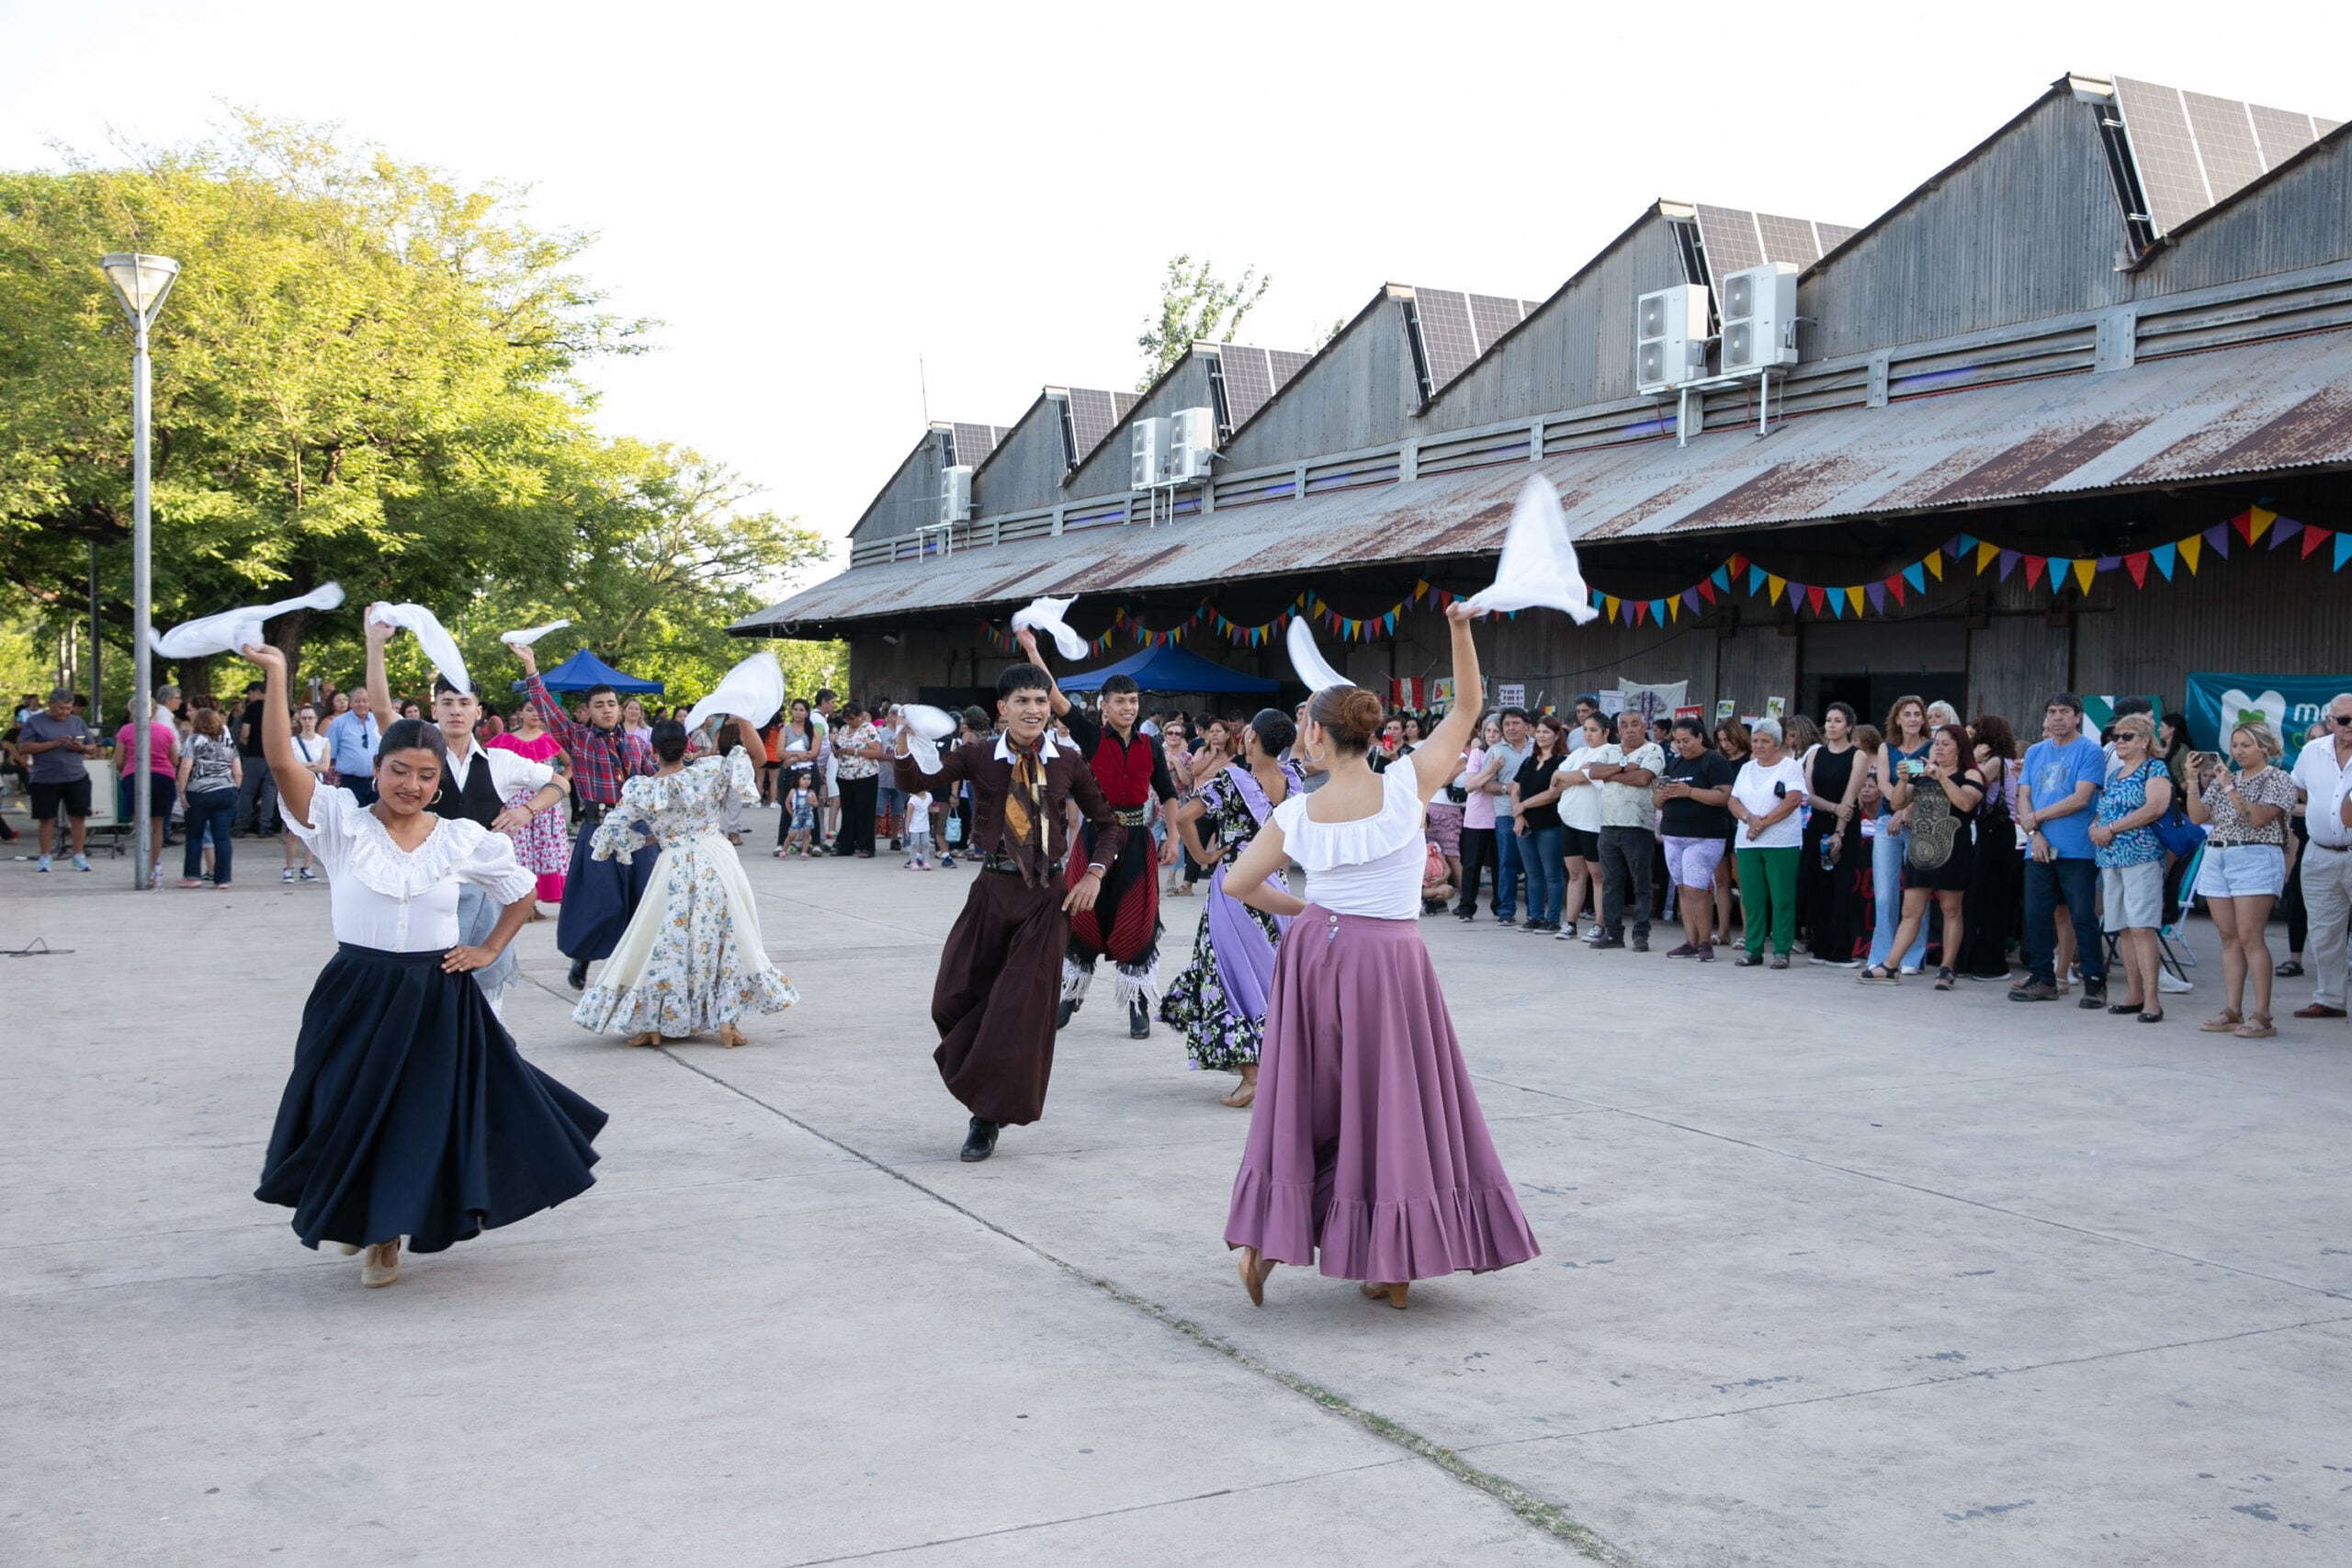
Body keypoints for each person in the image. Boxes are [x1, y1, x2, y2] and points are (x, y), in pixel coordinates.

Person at [244, 641, 604, 1290]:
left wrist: (489, 949)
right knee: (347, 1110)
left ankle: (387, 1236)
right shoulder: (339, 825)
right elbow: (277, 759)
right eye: (399, 771)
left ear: (440, 780)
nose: (412, 786)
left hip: (437, 994)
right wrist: (277, 675)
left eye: (426, 776)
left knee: (416, 1117)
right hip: (356, 991)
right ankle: (359, 1211)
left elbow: (520, 889)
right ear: (376, 770)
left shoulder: (461, 838)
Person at [1220, 603, 1538, 1311]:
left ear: (1315, 736)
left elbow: (1240, 883)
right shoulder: (1407, 785)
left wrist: (1312, 913)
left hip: (1316, 955)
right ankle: (1390, 1263)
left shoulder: (1296, 813)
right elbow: (1469, 704)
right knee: (1391, 1104)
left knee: (1310, 1101)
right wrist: (1459, 628)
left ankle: (1267, 1239)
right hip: (1391, 958)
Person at [893, 661, 1125, 1162]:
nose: (1034, 710)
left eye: (1041, 701)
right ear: (1003, 709)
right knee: (950, 998)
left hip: (1046, 898)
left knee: (1015, 1014)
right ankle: (979, 1085)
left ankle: (985, 1118)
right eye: (1022, 701)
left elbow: (1109, 825)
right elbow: (922, 781)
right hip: (992, 890)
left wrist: (1094, 874)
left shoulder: (1067, 759)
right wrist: (903, 744)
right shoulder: (977, 756)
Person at [573, 717, 797, 1048]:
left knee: (665, 941)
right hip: (716, 858)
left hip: (673, 862)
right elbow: (756, 759)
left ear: (653, 750)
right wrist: (741, 720)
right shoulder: (709, 771)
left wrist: (652, 839)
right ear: (687, 746)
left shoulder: (643, 788)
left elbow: (609, 834)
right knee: (726, 937)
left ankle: (654, 1022)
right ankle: (726, 1021)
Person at [1015, 644, 1182, 1040]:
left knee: (1138, 924)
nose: (1129, 707)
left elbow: (1167, 792)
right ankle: (1071, 996)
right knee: (1083, 916)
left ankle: (1138, 1006)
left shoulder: (1151, 745)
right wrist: (1032, 647)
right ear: (1103, 706)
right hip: (1096, 838)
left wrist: (1173, 835)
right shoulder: (1090, 735)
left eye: (1134, 700)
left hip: (1139, 840)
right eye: (1120, 701)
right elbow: (1054, 696)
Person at [1162, 709, 1300, 1105]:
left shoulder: (1233, 780)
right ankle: (1278, 1070)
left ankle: (1253, 1076)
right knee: (1273, 974)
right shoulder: (1294, 779)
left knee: (1227, 974)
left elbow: (1186, 817)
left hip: (1236, 887)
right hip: (1278, 886)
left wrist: (1203, 858)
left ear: (1251, 738)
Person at [508, 642, 659, 991]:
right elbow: (546, 709)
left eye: (611, 704)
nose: (607, 710)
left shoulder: (637, 745)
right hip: (599, 830)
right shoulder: (578, 738)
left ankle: (636, 967)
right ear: (587, 712)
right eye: (599, 705)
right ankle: (584, 958)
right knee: (600, 900)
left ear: (620, 709)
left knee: (642, 899)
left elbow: (657, 779)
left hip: (637, 830)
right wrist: (531, 667)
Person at [2186, 721, 2297, 1037]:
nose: (2238, 751)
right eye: (2235, 745)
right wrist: (2193, 781)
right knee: (2228, 936)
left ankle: (2262, 1014)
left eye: (2246, 744)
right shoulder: (2225, 779)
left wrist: (2230, 787)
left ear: (2264, 747)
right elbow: (2196, 817)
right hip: (2217, 855)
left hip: (2255, 856)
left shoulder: (2278, 779)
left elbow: (2259, 819)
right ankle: (2232, 1008)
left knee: (2251, 936)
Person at [1860, 722, 1984, 987]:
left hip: (1952, 847)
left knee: (1951, 909)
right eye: (1936, 743)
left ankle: (1946, 968)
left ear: (1959, 747)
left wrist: (1941, 776)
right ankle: (1890, 965)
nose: (1938, 748)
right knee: (1910, 910)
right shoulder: (1923, 772)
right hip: (1920, 848)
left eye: (1945, 744)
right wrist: (1904, 778)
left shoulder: (1971, 774)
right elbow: (1896, 803)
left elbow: (1965, 803)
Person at [2011, 694, 2109, 1008]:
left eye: (2064, 712)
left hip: (2077, 849)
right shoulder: (2036, 752)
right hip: (2038, 847)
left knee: (2082, 916)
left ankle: (2094, 982)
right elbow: (2023, 796)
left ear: (2077, 717)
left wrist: (2035, 818)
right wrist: (2034, 832)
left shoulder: (2090, 751)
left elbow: (2081, 799)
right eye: (2052, 712)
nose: (2057, 718)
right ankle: (2043, 979)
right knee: (2037, 916)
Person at [2086, 713, 2173, 1021]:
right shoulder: (2116, 774)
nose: (2119, 742)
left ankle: (2152, 999)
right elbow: (2103, 809)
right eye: (2116, 737)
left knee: (2141, 927)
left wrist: (2112, 829)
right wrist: (2096, 827)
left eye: (2127, 736)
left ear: (2145, 741)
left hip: (2141, 857)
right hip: (2111, 858)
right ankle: (2134, 993)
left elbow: (2155, 808)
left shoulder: (2155, 768)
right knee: (2121, 927)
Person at [2288, 693, 2352, 1021]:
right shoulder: (2313, 751)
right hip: (2320, 851)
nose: (2351, 726)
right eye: (2344, 721)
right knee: (2324, 930)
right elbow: (2298, 788)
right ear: (2330, 722)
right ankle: (2330, 998)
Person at [1728, 717, 1808, 967]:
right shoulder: (1747, 768)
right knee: (1752, 896)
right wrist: (1749, 819)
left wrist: (1763, 823)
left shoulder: (1790, 767)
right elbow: (1733, 800)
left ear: (1777, 743)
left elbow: (1793, 799)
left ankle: (1782, 950)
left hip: (1781, 841)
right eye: (1755, 740)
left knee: (1781, 896)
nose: (1759, 745)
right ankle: (1753, 948)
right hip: (1748, 840)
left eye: (1765, 741)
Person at [1657, 716, 1736, 959]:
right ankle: (1689, 941)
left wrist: (1688, 792)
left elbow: (1724, 797)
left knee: (1696, 889)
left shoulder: (1714, 761)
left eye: (1686, 740)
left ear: (1700, 737)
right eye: (1677, 741)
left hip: (1704, 836)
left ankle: (1705, 942)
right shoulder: (1675, 765)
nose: (1681, 746)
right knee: (1682, 888)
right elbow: (1656, 801)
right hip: (1673, 835)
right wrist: (1665, 794)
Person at [1587, 709, 1664, 951]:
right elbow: (1594, 772)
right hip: (1608, 826)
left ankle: (1641, 935)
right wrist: (1623, 767)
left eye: (1635, 724)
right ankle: (1613, 934)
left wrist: (1612, 774)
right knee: (1611, 883)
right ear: (1618, 729)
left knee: (1640, 884)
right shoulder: (1610, 750)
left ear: (1644, 727)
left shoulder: (1653, 750)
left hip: (1637, 826)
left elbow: (1643, 779)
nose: (1630, 729)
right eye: (1624, 725)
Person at [1869, 695, 1933, 975]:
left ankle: (1913, 956)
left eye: (1917, 714)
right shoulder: (1886, 748)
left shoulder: (1931, 748)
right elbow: (1883, 782)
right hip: (1886, 822)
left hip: (1919, 823)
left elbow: (1929, 784)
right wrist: (1896, 806)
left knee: (1916, 894)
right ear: (1897, 719)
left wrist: (1905, 811)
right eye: (1907, 714)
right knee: (1884, 894)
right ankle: (1882, 955)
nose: (1912, 719)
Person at [1800, 704, 1866, 966]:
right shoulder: (1816, 754)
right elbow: (1808, 793)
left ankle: (1841, 949)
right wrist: (1830, 807)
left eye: (1838, 721)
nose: (1831, 725)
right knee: (1818, 886)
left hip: (1845, 825)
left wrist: (1839, 831)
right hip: (1818, 823)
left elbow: (1849, 798)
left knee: (1842, 887)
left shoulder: (1857, 755)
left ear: (1849, 726)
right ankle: (1821, 946)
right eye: (1828, 720)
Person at [1955, 715, 2020, 980]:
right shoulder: (2002, 761)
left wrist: (1975, 759)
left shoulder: (1994, 762)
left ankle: (1984, 960)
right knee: (1984, 895)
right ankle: (1976, 958)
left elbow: (1968, 785)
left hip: (1995, 832)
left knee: (1987, 895)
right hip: (1995, 832)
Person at [488, 701, 571, 905]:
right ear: (520, 714)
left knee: (543, 851)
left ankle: (535, 901)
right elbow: (485, 763)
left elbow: (571, 764)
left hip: (544, 806)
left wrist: (560, 785)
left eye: (538, 710)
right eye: (529, 709)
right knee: (516, 849)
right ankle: (520, 901)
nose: (535, 714)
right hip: (515, 804)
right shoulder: (504, 740)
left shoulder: (549, 741)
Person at [20, 688, 96, 872]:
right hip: (45, 778)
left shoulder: (77, 722)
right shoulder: (34, 722)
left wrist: (82, 747)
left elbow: (94, 747)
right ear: (50, 704)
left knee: (78, 817)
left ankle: (78, 856)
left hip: (76, 776)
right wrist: (53, 743)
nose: (64, 712)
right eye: (60, 708)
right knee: (46, 819)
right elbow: (24, 747)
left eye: (68, 708)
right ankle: (45, 856)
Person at [1508, 715, 1570, 932]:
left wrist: (1524, 805)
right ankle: (1534, 916)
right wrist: (1518, 815)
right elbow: (1515, 789)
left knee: (1552, 873)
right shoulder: (1529, 761)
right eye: (1539, 731)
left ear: (1556, 736)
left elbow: (1553, 793)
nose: (1542, 736)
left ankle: (1552, 919)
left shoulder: (1562, 762)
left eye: (1547, 732)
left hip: (1549, 824)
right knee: (1532, 874)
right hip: (1525, 825)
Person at [174, 706, 243, 888]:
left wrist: (181, 791)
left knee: (195, 835)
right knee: (222, 837)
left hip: (199, 793)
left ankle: (192, 876)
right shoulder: (228, 743)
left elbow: (186, 766)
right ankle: (222, 879)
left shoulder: (194, 740)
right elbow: (238, 772)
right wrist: (234, 789)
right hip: (226, 792)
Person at [1556, 714, 1611, 942]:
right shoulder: (1579, 753)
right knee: (1575, 873)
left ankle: (1600, 924)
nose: (1588, 734)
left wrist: (1576, 776)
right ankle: (1570, 923)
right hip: (1570, 818)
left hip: (1593, 822)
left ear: (1606, 732)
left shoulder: (1611, 752)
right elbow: (1557, 778)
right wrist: (1576, 775)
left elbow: (1583, 778)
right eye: (1585, 730)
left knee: (1597, 875)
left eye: (1593, 730)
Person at [115, 700, 180, 884]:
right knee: (157, 827)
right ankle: (152, 868)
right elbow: (174, 759)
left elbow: (118, 760)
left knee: (141, 826)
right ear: (154, 712)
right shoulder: (166, 731)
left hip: (134, 776)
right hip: (162, 777)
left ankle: (142, 867)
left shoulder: (126, 731)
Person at [1481, 707, 1535, 926]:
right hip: (1506, 814)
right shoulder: (1495, 751)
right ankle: (1506, 910)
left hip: (1535, 813)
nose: (1511, 728)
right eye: (1507, 725)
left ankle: (1535, 911)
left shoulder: (1537, 746)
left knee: (1534, 866)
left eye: (1515, 723)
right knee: (1507, 863)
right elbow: (1485, 783)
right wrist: (1506, 788)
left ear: (1526, 725)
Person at [1453, 716, 1501, 921]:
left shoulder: (1506, 754)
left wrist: (1483, 781)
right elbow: (1470, 785)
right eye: (1488, 731)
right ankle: (1466, 907)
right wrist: (1490, 770)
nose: (1491, 735)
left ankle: (1500, 908)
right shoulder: (1477, 753)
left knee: (1501, 865)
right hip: (1477, 816)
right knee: (1472, 865)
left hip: (1500, 816)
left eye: (1495, 731)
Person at [830, 703, 886, 858]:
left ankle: (866, 846)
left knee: (864, 811)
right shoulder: (843, 729)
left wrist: (854, 751)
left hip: (865, 775)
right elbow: (839, 752)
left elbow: (876, 752)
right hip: (845, 774)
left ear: (860, 716)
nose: (849, 722)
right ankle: (846, 844)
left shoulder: (868, 729)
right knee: (848, 811)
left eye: (852, 718)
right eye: (846, 719)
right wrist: (837, 751)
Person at [283, 703, 331, 882]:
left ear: (316, 720)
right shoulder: (292, 742)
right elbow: (289, 766)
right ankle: (288, 868)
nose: (308, 722)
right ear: (300, 720)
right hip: (296, 788)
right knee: (293, 830)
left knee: (312, 829)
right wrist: (311, 766)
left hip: (316, 788)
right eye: (304, 718)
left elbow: (325, 767)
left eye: (311, 718)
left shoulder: (323, 742)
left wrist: (302, 767)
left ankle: (306, 867)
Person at [230, 680, 277, 837]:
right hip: (272, 757)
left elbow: (244, 733)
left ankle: (241, 826)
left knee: (247, 792)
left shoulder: (251, 709)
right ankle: (265, 827)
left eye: (249, 693)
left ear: (257, 691)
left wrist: (245, 742)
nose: (248, 697)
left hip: (253, 756)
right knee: (269, 792)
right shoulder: (276, 708)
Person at [323, 685, 379, 805]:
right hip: (350, 782)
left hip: (377, 781)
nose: (361, 704)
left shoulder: (377, 721)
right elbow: (330, 756)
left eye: (365, 701)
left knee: (376, 819)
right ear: (351, 703)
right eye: (357, 701)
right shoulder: (338, 724)